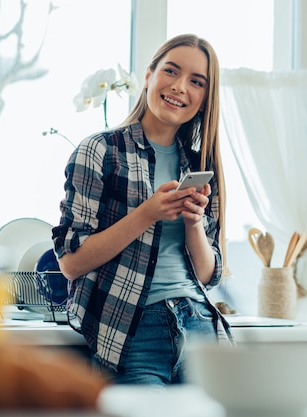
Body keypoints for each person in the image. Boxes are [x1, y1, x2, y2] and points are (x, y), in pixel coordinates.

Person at [52, 33, 233, 386]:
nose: (180, 87)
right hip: (133, 329)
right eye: (171, 71)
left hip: (200, 326)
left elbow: (209, 276)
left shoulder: (198, 165)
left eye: (197, 82)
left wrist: (194, 223)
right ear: (149, 76)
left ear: (204, 99)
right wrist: (148, 213)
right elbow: (71, 263)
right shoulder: (99, 151)